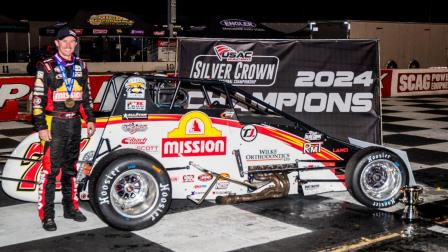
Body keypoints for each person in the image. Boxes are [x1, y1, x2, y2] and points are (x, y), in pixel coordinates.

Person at [32, 27, 96, 231]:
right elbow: (37, 100)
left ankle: (70, 208)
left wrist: (90, 119)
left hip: (74, 123)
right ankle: (47, 215)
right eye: (64, 42)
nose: (69, 45)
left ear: (76, 44)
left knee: (71, 169)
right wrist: (41, 126)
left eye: (72, 42)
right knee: (51, 172)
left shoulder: (82, 65)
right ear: (57, 43)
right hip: (54, 123)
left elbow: (86, 96)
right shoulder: (46, 66)